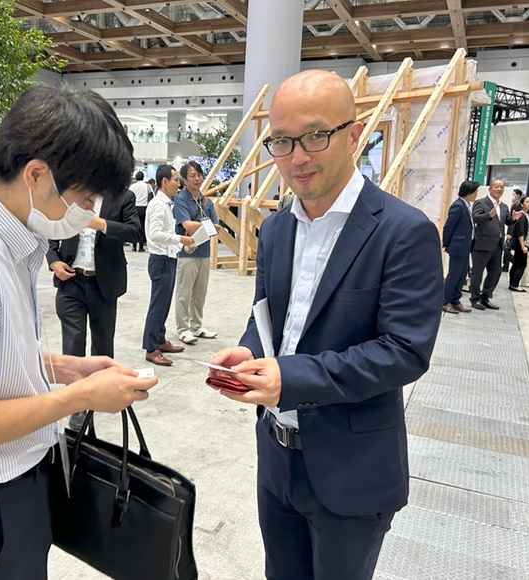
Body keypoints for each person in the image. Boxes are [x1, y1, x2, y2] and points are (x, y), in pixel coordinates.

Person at [0, 85, 156, 580]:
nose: (87, 210)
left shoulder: (5, 246)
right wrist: (81, 396)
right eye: (84, 197)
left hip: (12, 491)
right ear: (37, 174)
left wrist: (66, 368)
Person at [209, 70, 443, 580]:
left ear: (354, 135)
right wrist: (250, 353)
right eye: (281, 141)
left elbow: (405, 351)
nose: (297, 157)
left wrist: (290, 378)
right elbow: (267, 318)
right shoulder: (276, 229)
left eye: (315, 135)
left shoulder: (403, 232)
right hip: (276, 456)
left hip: (351, 466)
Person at [46, 184, 142, 430]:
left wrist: (101, 224)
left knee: (103, 343)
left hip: (104, 284)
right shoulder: (70, 194)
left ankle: (100, 393)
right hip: (71, 281)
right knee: (73, 343)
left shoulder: (123, 197)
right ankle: (76, 404)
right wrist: (54, 261)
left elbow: (135, 232)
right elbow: (49, 230)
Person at [142, 165, 195, 366]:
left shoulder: (166, 204)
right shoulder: (157, 204)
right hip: (160, 260)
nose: (178, 184)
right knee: (157, 305)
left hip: (168, 258)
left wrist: (182, 245)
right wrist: (180, 238)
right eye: (175, 179)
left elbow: (167, 234)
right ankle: (150, 348)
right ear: (164, 181)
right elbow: (155, 234)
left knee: (164, 303)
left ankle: (160, 339)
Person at [173, 160, 222, 344]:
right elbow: (187, 225)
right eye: (192, 176)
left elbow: (217, 227)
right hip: (187, 253)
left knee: (200, 292)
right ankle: (183, 329)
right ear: (185, 180)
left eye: (199, 175)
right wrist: (207, 226)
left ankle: (196, 326)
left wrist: (203, 226)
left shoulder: (206, 201)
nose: (197, 179)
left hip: (204, 252)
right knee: (184, 293)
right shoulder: (180, 199)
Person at [469, 179, 511, 310]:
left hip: (497, 245)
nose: (499, 190)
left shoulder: (504, 206)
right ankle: (475, 299)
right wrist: (489, 215)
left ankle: (485, 297)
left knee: (495, 272)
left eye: (502, 187)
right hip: (482, 244)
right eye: (496, 187)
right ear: (490, 189)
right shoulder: (480, 202)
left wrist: (514, 219)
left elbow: (507, 222)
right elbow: (475, 218)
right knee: (477, 273)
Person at [442, 180, 479, 314]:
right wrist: (446, 243)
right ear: (469, 193)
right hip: (458, 247)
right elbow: (448, 226)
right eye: (475, 192)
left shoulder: (466, 206)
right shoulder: (458, 206)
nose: (476, 194)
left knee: (462, 275)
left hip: (465, 246)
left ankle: (455, 300)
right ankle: (444, 302)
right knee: (454, 275)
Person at [509, 196, 529, 292]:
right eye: (527, 202)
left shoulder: (526, 215)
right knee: (522, 264)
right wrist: (523, 245)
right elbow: (520, 232)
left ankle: (512, 283)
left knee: (516, 264)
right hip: (521, 243)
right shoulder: (522, 215)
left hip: (523, 243)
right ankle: (515, 284)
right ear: (521, 204)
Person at [129, 170, 151, 251]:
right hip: (144, 208)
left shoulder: (132, 186)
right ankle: (141, 247)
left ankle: (134, 246)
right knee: (142, 227)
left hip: (134, 207)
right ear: (143, 177)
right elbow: (151, 195)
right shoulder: (147, 186)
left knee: (134, 226)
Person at [502, 188, 522, 272]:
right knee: (507, 248)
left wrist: (510, 233)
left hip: (513, 231)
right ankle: (506, 265)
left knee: (507, 248)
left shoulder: (516, 206)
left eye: (513, 194)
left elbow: (514, 220)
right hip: (512, 230)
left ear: (518, 196)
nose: (512, 195)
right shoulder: (514, 204)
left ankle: (515, 263)